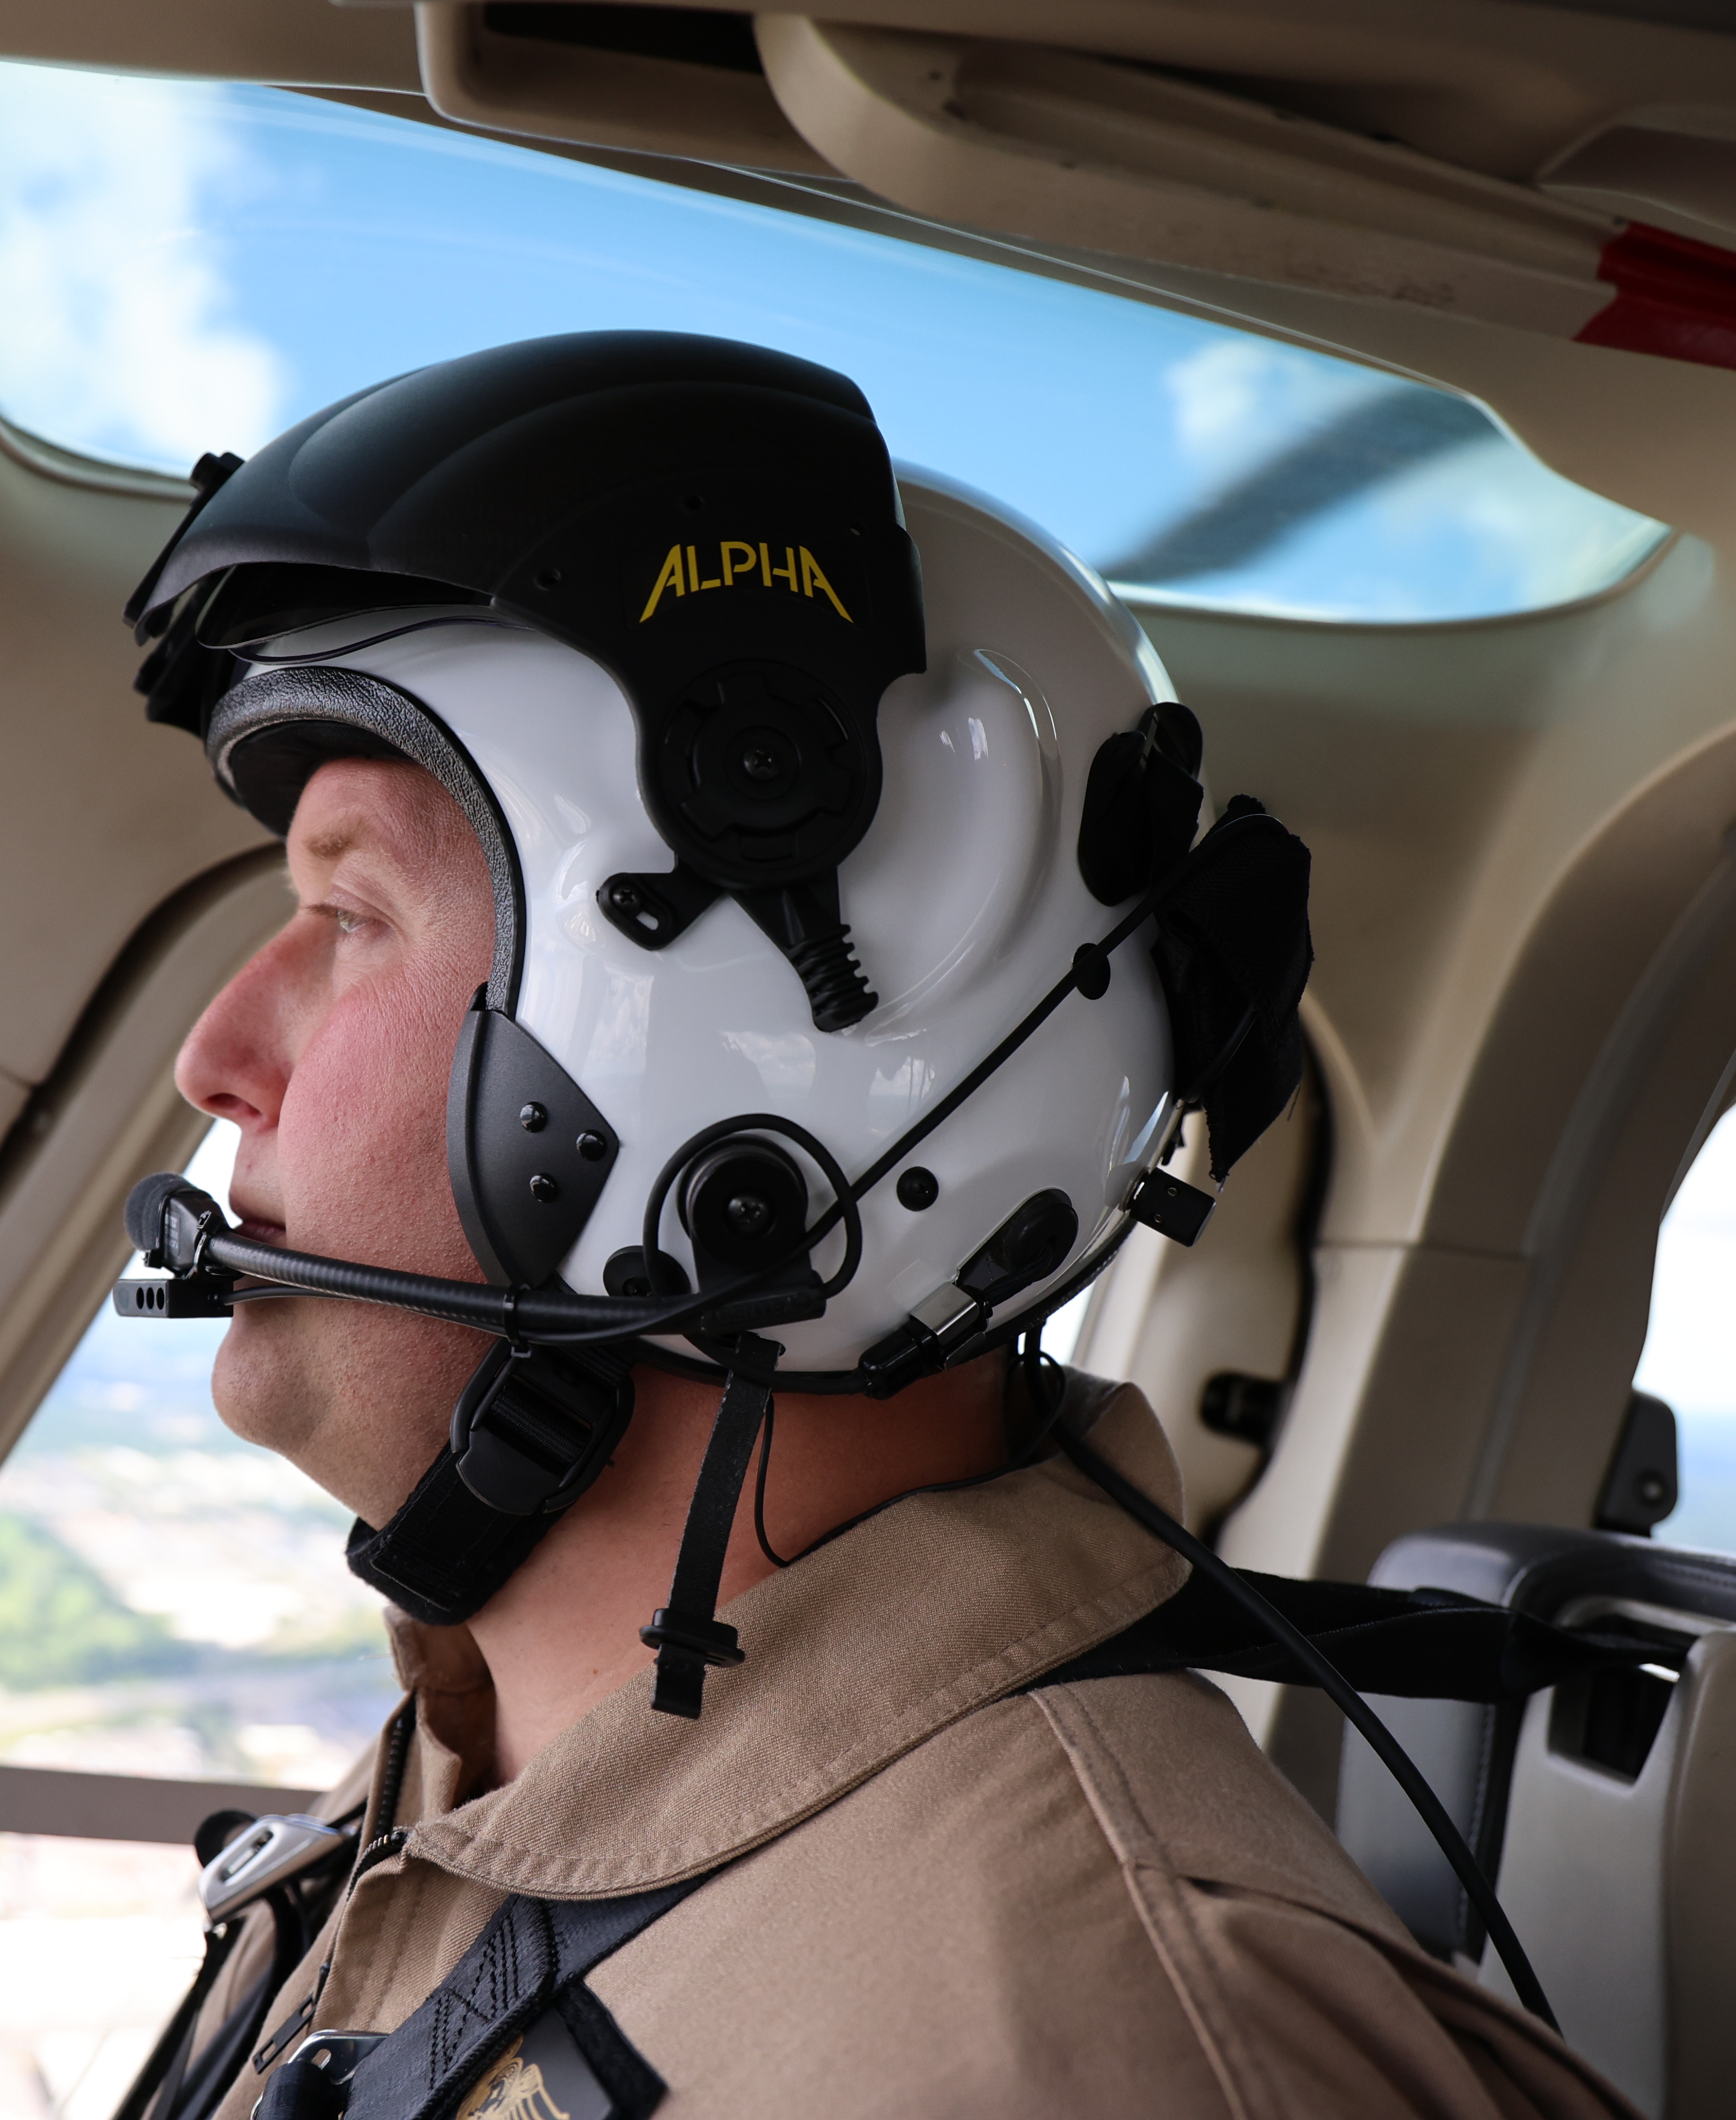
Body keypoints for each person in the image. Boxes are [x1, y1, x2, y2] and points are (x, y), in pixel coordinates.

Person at [107, 333, 1632, 2120]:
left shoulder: (1111, 2053)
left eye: (349, 916)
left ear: (736, 1110)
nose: (214, 1061)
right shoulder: (495, 1766)